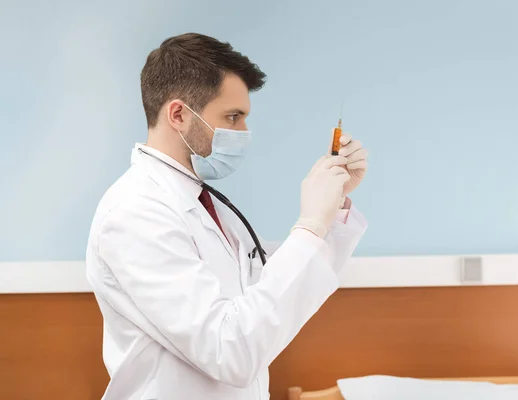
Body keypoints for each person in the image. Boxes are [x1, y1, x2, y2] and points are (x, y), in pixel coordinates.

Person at [86, 32, 368, 400]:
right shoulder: (135, 214)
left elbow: (271, 292)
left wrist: (332, 208)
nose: (244, 132)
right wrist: (310, 225)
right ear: (178, 115)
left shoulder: (206, 202)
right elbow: (229, 350)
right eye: (233, 117)